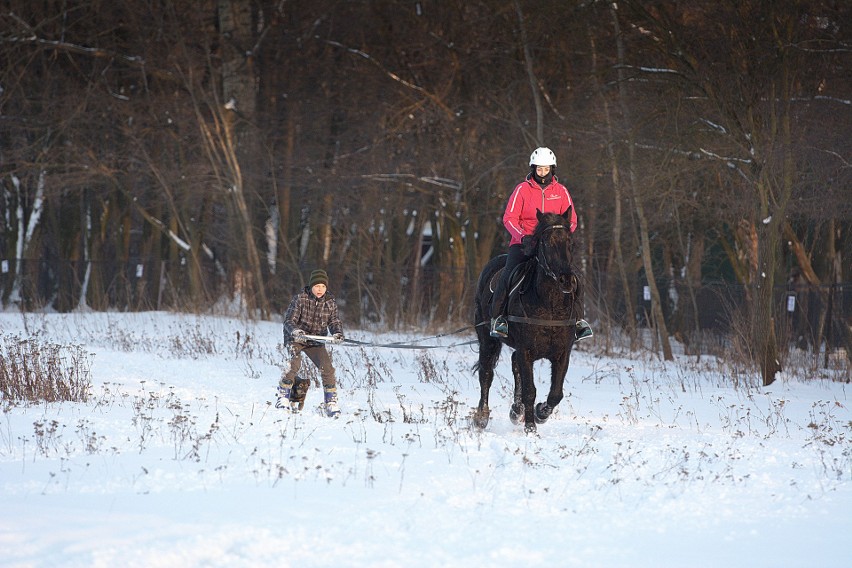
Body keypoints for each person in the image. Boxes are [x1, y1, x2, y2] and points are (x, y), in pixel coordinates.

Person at [489, 147, 593, 341]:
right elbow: (509, 218)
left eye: (546, 169)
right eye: (539, 169)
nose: (542, 173)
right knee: (508, 274)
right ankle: (499, 319)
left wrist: (561, 236)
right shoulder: (522, 189)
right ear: (533, 168)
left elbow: (572, 220)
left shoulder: (561, 191)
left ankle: (579, 321)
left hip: (553, 246)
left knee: (575, 277)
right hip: (524, 242)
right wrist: (522, 236)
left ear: (552, 169)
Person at [277, 269, 345, 417]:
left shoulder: (330, 302)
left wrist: (337, 333)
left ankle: (331, 402)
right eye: (317, 286)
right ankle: (283, 396)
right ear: (311, 286)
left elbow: (334, 321)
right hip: (296, 338)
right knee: (294, 364)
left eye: (323, 286)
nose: (320, 289)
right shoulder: (300, 298)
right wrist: (296, 331)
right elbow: (289, 321)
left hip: (315, 340)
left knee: (327, 369)